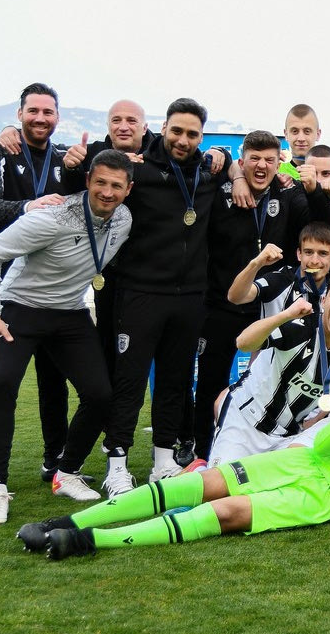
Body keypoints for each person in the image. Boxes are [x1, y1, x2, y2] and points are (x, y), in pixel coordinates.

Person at [16, 352, 330, 560]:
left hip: (327, 500)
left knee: (227, 512)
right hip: (303, 463)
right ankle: (68, 521)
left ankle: (89, 541)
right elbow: (324, 446)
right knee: (201, 483)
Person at [0, 151, 135, 523]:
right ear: (88, 180)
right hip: (20, 308)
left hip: (69, 313)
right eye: (100, 182)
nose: (107, 192)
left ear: (128, 189)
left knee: (100, 395)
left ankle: (67, 472)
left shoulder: (124, 219)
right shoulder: (52, 217)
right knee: (2, 383)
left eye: (116, 185)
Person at [98, 98, 233, 496]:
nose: (183, 140)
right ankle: (117, 465)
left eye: (192, 134)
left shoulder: (207, 173)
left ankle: (163, 461)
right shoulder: (138, 168)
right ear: (163, 128)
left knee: (175, 381)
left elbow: (233, 165)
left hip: (190, 297)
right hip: (140, 293)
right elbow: (98, 173)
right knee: (129, 381)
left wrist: (229, 161)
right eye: (177, 131)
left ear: (201, 137)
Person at [196, 130, 330, 462]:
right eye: (254, 159)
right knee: (211, 380)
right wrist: (231, 170)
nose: (261, 166)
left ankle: (263, 449)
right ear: (242, 160)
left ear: (278, 162)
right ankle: (200, 449)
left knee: (265, 384)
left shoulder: (287, 194)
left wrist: (314, 190)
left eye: (269, 160)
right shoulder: (223, 189)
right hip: (222, 303)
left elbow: (320, 226)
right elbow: (208, 161)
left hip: (271, 307)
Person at [0, 83, 72, 499]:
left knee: (54, 376)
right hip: (3, 284)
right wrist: (28, 207)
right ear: (19, 113)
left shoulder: (64, 158)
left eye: (48, 112)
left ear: (57, 117)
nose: (40, 118)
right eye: (33, 111)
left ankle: (56, 459)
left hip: (51, 286)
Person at [208, 270, 330, 466]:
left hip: (287, 437)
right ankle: (198, 469)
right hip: (245, 421)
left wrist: (318, 417)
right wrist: (286, 314)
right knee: (218, 481)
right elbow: (243, 343)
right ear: (323, 300)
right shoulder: (299, 327)